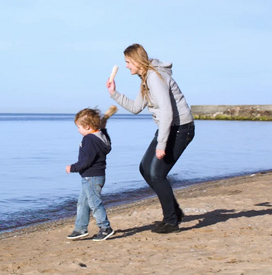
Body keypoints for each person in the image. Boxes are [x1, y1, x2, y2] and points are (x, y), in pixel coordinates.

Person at [106, 43, 195, 234]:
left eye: (128, 62)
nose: (127, 66)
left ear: (137, 61)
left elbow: (167, 112)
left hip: (180, 129)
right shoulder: (146, 78)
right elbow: (136, 107)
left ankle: (171, 221)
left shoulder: (155, 77)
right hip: (169, 128)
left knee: (157, 174)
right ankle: (174, 212)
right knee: (145, 169)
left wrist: (162, 144)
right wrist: (114, 93)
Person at [66, 106, 117, 241]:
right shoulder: (101, 135)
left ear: (88, 127)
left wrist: (72, 168)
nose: (78, 130)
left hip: (91, 176)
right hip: (94, 176)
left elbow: (86, 161)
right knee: (82, 202)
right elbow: (108, 146)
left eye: (79, 127)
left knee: (94, 203)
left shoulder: (89, 139)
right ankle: (80, 228)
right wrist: (104, 128)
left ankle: (105, 228)